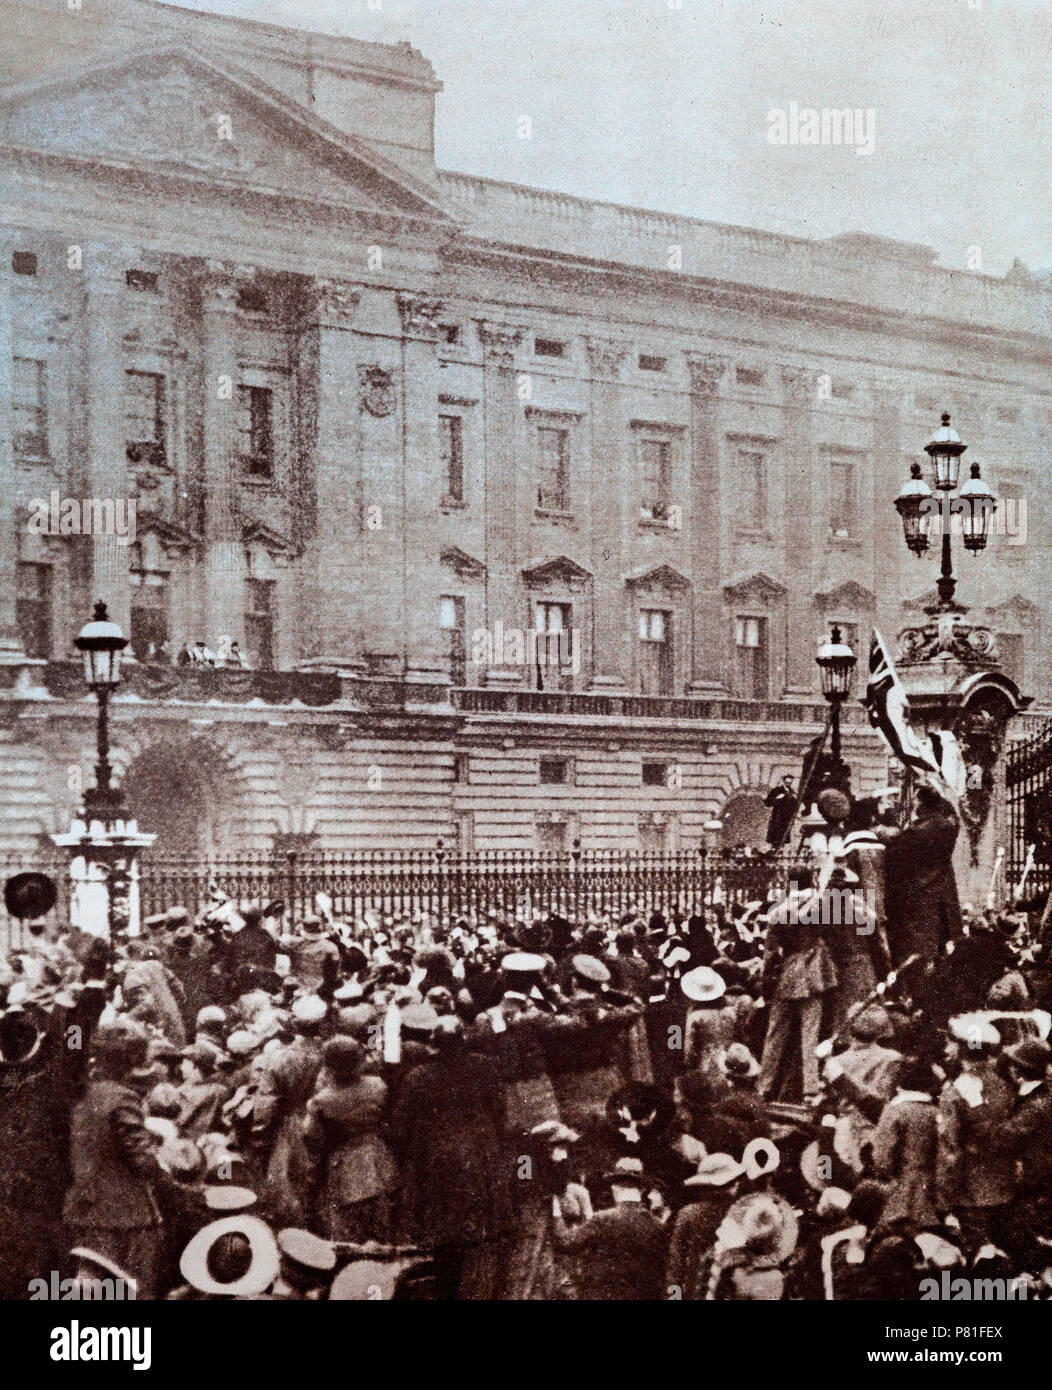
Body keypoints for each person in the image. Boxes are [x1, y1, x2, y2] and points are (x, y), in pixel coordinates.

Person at [63, 1021, 170, 1299]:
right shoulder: (122, 1097)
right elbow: (142, 1159)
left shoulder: (83, 1094)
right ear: (131, 1060)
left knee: (90, 1288)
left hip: (85, 1207)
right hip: (125, 1213)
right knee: (133, 1288)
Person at [302, 1037, 398, 1243]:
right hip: (379, 1160)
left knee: (348, 1236)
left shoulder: (321, 1101)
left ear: (328, 1066)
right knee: (383, 1231)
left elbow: (313, 1142)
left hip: (344, 1168)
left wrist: (311, 1183)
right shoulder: (377, 1086)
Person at [880, 786, 963, 964]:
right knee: (937, 954)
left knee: (917, 956)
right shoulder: (947, 827)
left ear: (923, 804)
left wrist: (885, 836)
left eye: (916, 801)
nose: (914, 805)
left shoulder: (919, 831)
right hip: (940, 898)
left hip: (919, 899)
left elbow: (895, 858)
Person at [764, 775, 797, 848]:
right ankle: (774, 849)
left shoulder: (792, 792)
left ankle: (780, 850)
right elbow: (767, 803)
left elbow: (795, 806)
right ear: (784, 781)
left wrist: (795, 799)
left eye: (790, 782)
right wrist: (777, 798)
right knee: (776, 836)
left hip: (787, 818)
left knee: (784, 837)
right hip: (777, 817)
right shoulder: (777, 790)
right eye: (787, 782)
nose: (788, 784)